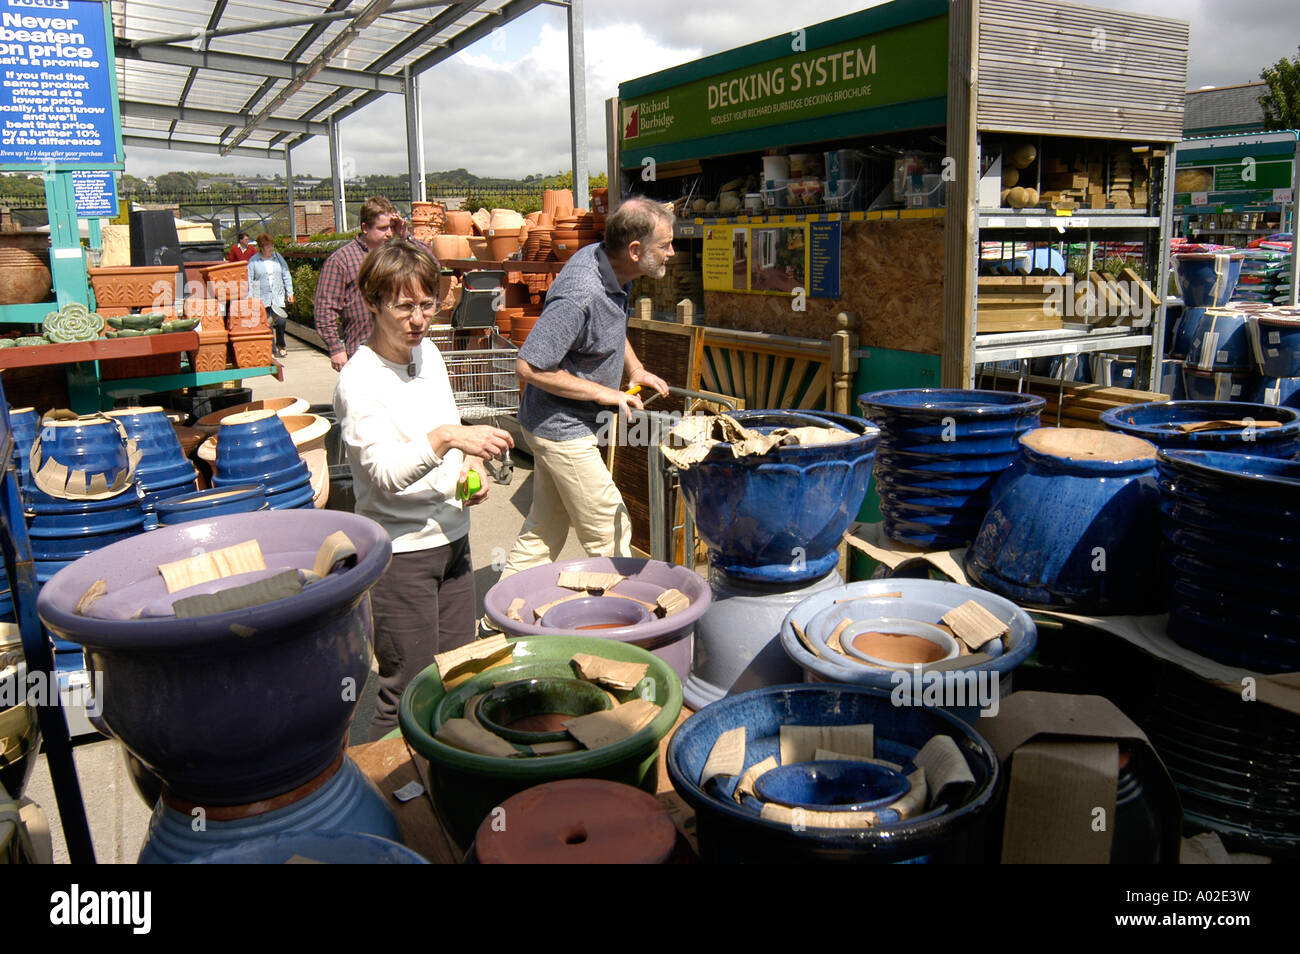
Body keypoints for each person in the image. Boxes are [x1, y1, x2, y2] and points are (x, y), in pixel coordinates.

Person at [334, 239, 513, 739]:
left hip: (453, 541)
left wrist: (466, 468)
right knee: (406, 688)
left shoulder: (429, 352)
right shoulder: (358, 381)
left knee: (457, 675)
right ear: (372, 303)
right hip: (402, 555)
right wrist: (450, 439)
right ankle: (387, 792)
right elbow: (384, 475)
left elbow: (447, 424)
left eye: (427, 305)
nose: (418, 320)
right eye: (404, 306)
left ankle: (440, 776)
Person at [496, 197, 672, 590]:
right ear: (635, 250)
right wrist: (603, 393)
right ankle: (622, 621)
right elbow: (529, 365)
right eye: (665, 245)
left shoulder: (612, 267)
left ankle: (497, 620)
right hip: (561, 429)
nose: (671, 253)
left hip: (555, 424)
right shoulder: (581, 292)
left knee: (543, 533)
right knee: (610, 530)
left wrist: (636, 368)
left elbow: (608, 330)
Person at [315, 196, 411, 372]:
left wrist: (405, 236)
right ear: (365, 228)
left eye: (391, 227)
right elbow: (325, 309)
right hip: (362, 352)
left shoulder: (398, 255)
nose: (389, 233)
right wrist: (336, 348)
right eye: (382, 228)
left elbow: (433, 267)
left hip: (399, 351)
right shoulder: (342, 260)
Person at [246, 233, 294, 358]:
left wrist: (290, 292)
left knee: (281, 322)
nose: (271, 249)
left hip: (277, 296)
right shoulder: (253, 261)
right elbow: (249, 280)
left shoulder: (278, 258)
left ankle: (281, 344)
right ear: (261, 248)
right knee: (267, 324)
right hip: (261, 297)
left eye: (272, 246)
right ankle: (271, 350)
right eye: (268, 247)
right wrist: (250, 299)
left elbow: (286, 274)